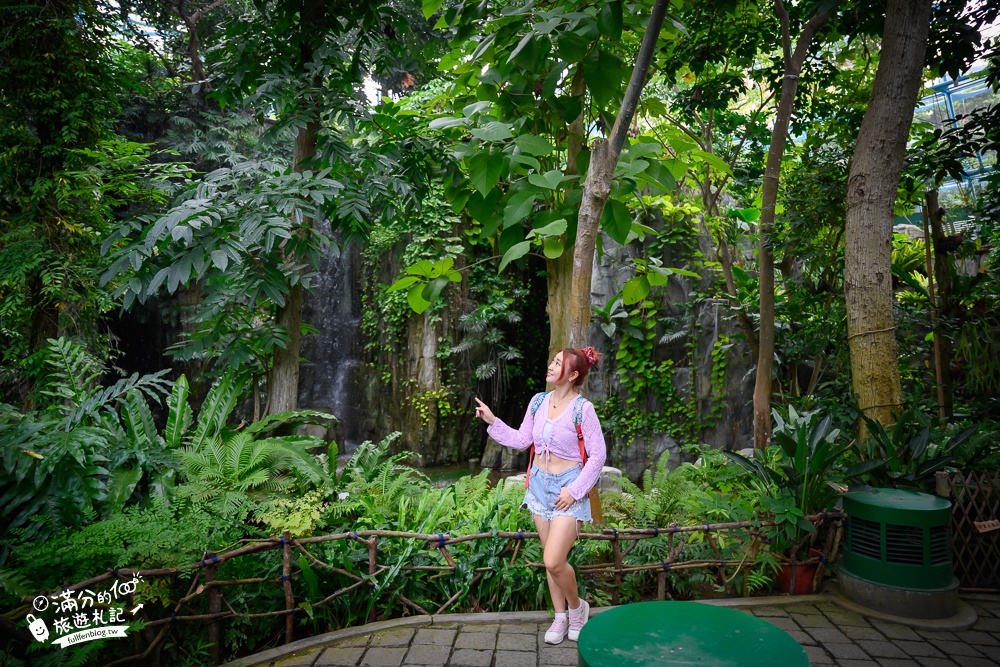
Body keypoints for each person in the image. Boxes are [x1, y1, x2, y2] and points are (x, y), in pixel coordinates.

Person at [473, 347, 607, 644]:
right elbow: (522, 440)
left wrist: (573, 492)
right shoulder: (537, 402)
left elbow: (598, 456)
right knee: (551, 560)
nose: (550, 365)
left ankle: (577, 609)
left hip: (566, 489)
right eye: (552, 360)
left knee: (553, 560)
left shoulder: (582, 409)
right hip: (538, 486)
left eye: (558, 363)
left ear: (572, 375)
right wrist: (493, 421)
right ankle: (560, 617)